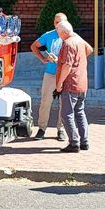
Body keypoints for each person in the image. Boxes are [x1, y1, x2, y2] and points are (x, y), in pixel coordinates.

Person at [29, 12, 67, 142]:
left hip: (64, 74)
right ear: (53, 23)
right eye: (56, 22)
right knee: (46, 101)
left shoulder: (69, 35)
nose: (58, 25)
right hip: (50, 73)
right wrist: (43, 58)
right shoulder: (48, 35)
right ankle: (42, 128)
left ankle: (61, 129)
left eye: (61, 22)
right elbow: (34, 46)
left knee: (64, 103)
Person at [54, 20, 91, 152]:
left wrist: (59, 84)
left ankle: (74, 143)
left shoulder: (69, 43)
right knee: (80, 112)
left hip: (71, 84)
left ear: (64, 32)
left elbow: (67, 65)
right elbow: (90, 49)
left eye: (58, 30)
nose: (57, 32)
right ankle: (84, 141)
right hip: (82, 82)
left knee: (66, 114)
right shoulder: (79, 40)